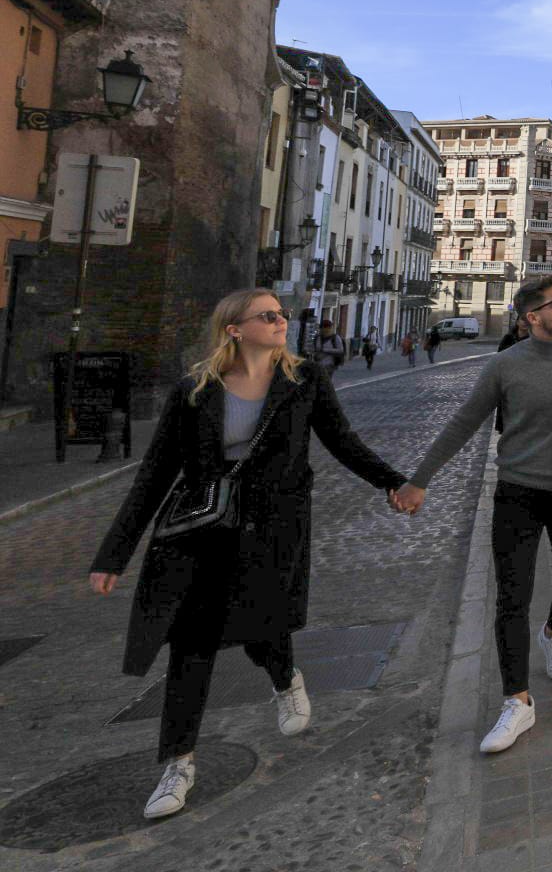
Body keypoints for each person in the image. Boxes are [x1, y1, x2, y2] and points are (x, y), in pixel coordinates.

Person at [88, 289, 412, 820]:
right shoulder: (194, 389)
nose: (281, 320)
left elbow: (343, 442)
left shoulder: (304, 381)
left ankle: (285, 679)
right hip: (200, 528)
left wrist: (394, 482)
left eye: (282, 314)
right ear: (234, 329)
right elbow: (155, 473)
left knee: (265, 627)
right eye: (268, 315)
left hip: (272, 527)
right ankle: (178, 763)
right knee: (190, 645)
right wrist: (113, 554)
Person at [392, 277, 552, 755]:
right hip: (517, 491)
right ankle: (517, 700)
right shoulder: (504, 365)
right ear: (532, 317)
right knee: (512, 596)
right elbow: (463, 422)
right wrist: (420, 479)